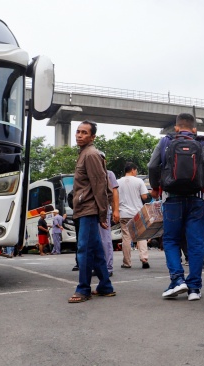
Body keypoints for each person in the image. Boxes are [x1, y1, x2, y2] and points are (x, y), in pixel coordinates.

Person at [148, 112, 204, 301]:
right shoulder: (202, 142)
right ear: (194, 129)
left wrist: (156, 188)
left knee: (171, 240)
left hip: (172, 199)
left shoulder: (165, 142)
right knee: (196, 243)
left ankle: (177, 279)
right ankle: (194, 289)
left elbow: (152, 165)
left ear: (176, 127)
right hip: (197, 199)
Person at [68, 121, 115, 303]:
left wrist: (103, 214)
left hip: (89, 209)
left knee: (84, 249)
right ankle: (105, 286)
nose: (79, 135)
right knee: (95, 249)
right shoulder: (84, 154)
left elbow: (100, 185)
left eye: (84, 133)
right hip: (84, 208)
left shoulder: (91, 155)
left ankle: (83, 289)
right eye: (78, 132)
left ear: (92, 137)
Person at [117, 162, 150, 269]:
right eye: (136, 170)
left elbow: (114, 198)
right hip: (136, 213)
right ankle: (144, 258)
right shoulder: (139, 181)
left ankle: (127, 262)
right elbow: (144, 197)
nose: (136, 172)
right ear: (132, 170)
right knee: (141, 235)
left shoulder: (118, 182)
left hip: (123, 213)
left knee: (126, 237)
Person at [97, 152, 120, 276]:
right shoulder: (91, 173)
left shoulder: (109, 174)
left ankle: (108, 268)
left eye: (102, 159)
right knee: (94, 241)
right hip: (91, 210)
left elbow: (114, 192)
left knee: (105, 239)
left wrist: (116, 210)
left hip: (104, 210)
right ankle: (98, 266)